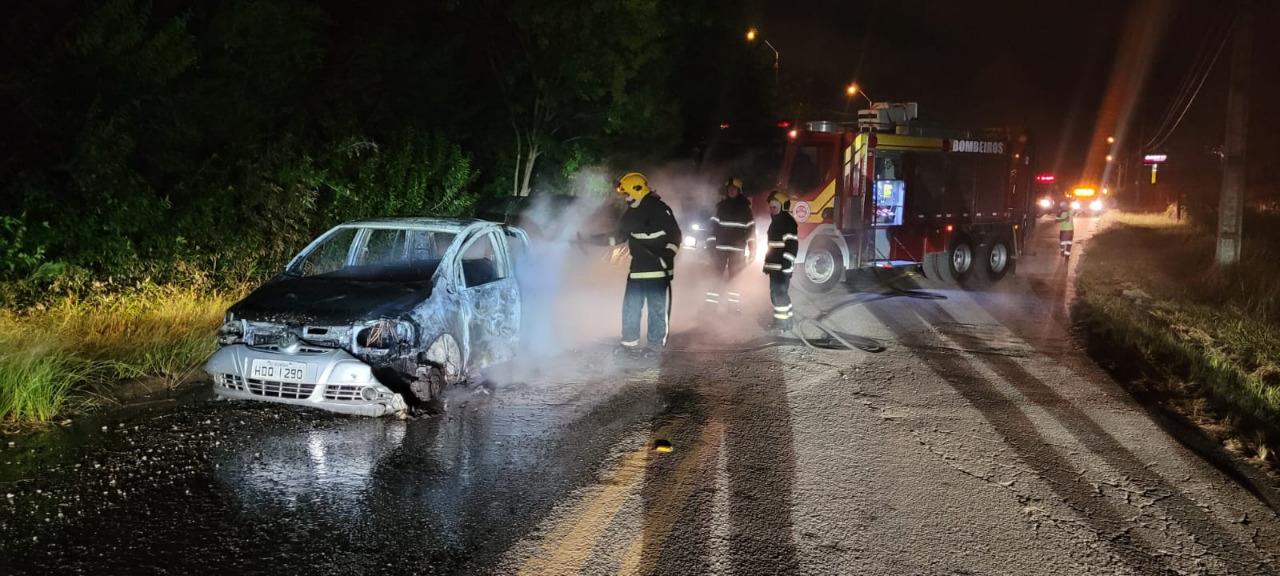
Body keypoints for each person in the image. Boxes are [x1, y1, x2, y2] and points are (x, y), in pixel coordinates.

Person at [597, 172, 682, 357]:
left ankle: (654, 347)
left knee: (656, 310)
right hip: (637, 270)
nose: (625, 197)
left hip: (658, 270)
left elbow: (675, 235)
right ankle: (629, 344)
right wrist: (590, 240)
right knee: (631, 308)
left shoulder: (659, 208)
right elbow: (618, 237)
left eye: (627, 192)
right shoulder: (631, 213)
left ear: (638, 189)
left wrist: (667, 255)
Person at [705, 177, 754, 310]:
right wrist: (711, 246)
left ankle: (732, 307)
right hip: (720, 249)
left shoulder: (746, 210)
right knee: (715, 277)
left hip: (737, 251)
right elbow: (712, 228)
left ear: (739, 191)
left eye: (734, 189)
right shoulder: (720, 207)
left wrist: (753, 250)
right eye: (730, 189)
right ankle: (710, 306)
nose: (732, 191)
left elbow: (751, 232)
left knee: (735, 280)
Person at [764, 192, 798, 332]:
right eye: (771, 207)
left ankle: (781, 324)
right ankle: (788, 321)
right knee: (778, 293)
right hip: (775, 266)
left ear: (782, 206)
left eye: (775, 206)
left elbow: (792, 246)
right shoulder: (776, 221)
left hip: (782, 267)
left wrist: (787, 265)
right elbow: (772, 246)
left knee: (778, 294)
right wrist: (767, 264)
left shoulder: (787, 222)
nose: (772, 209)